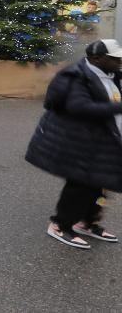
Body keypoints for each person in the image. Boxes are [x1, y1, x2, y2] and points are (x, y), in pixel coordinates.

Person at [25, 39, 122, 249]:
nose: (119, 61)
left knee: (101, 184)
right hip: (77, 141)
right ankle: (60, 224)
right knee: (80, 185)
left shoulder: (113, 74)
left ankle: (87, 222)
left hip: (104, 141)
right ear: (97, 58)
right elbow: (79, 107)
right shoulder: (76, 76)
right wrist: (118, 107)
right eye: (115, 58)